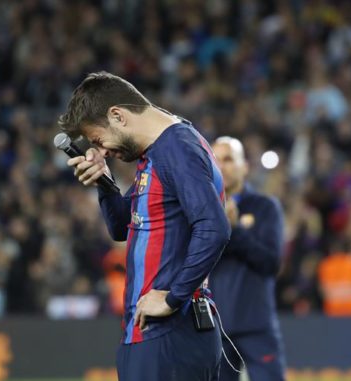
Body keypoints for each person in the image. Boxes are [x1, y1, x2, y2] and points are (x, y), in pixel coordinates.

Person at [58, 72, 230, 381]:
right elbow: (123, 227)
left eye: (99, 140)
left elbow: (214, 227)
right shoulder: (159, 151)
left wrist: (173, 297)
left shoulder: (175, 148)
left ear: (118, 116)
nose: (104, 150)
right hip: (157, 336)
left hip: (170, 335)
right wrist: (105, 182)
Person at [208, 137, 286, 381]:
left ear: (245, 166)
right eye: (216, 160)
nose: (222, 166)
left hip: (256, 323)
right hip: (215, 327)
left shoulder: (265, 207)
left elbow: (271, 262)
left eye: (229, 159)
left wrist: (235, 230)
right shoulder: (202, 210)